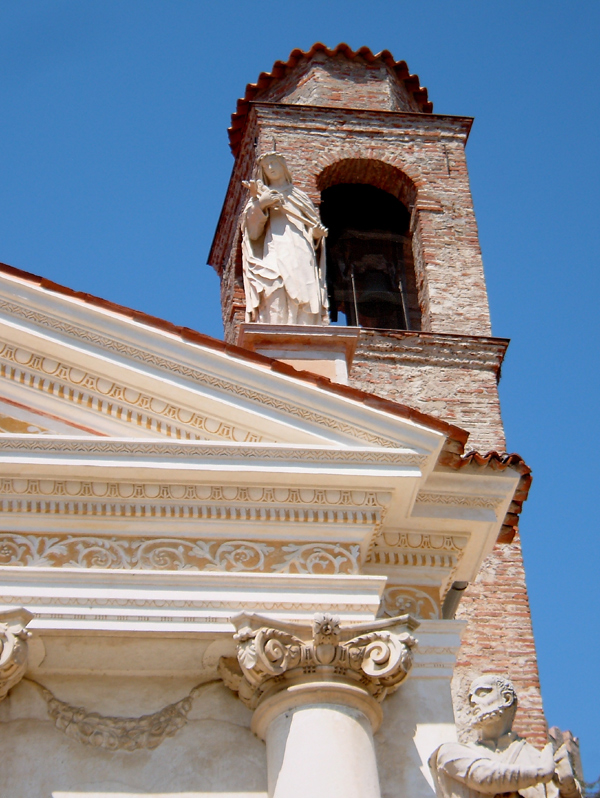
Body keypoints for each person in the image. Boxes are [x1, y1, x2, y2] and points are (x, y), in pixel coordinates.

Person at [429, 675, 581, 798]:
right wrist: (540, 773)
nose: (473, 701)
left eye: (482, 693)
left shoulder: (536, 758)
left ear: (507, 699)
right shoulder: (450, 754)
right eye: (471, 698)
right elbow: (482, 776)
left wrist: (569, 789)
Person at [241, 151, 329, 325]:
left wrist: (316, 235)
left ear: (283, 166)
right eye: (266, 166)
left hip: (301, 251)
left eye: (273, 163)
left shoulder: (299, 197)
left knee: (305, 291)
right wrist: (262, 204)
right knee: (274, 285)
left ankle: (305, 329)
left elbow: (311, 230)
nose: (270, 168)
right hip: (274, 247)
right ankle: (276, 326)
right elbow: (253, 234)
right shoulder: (260, 196)